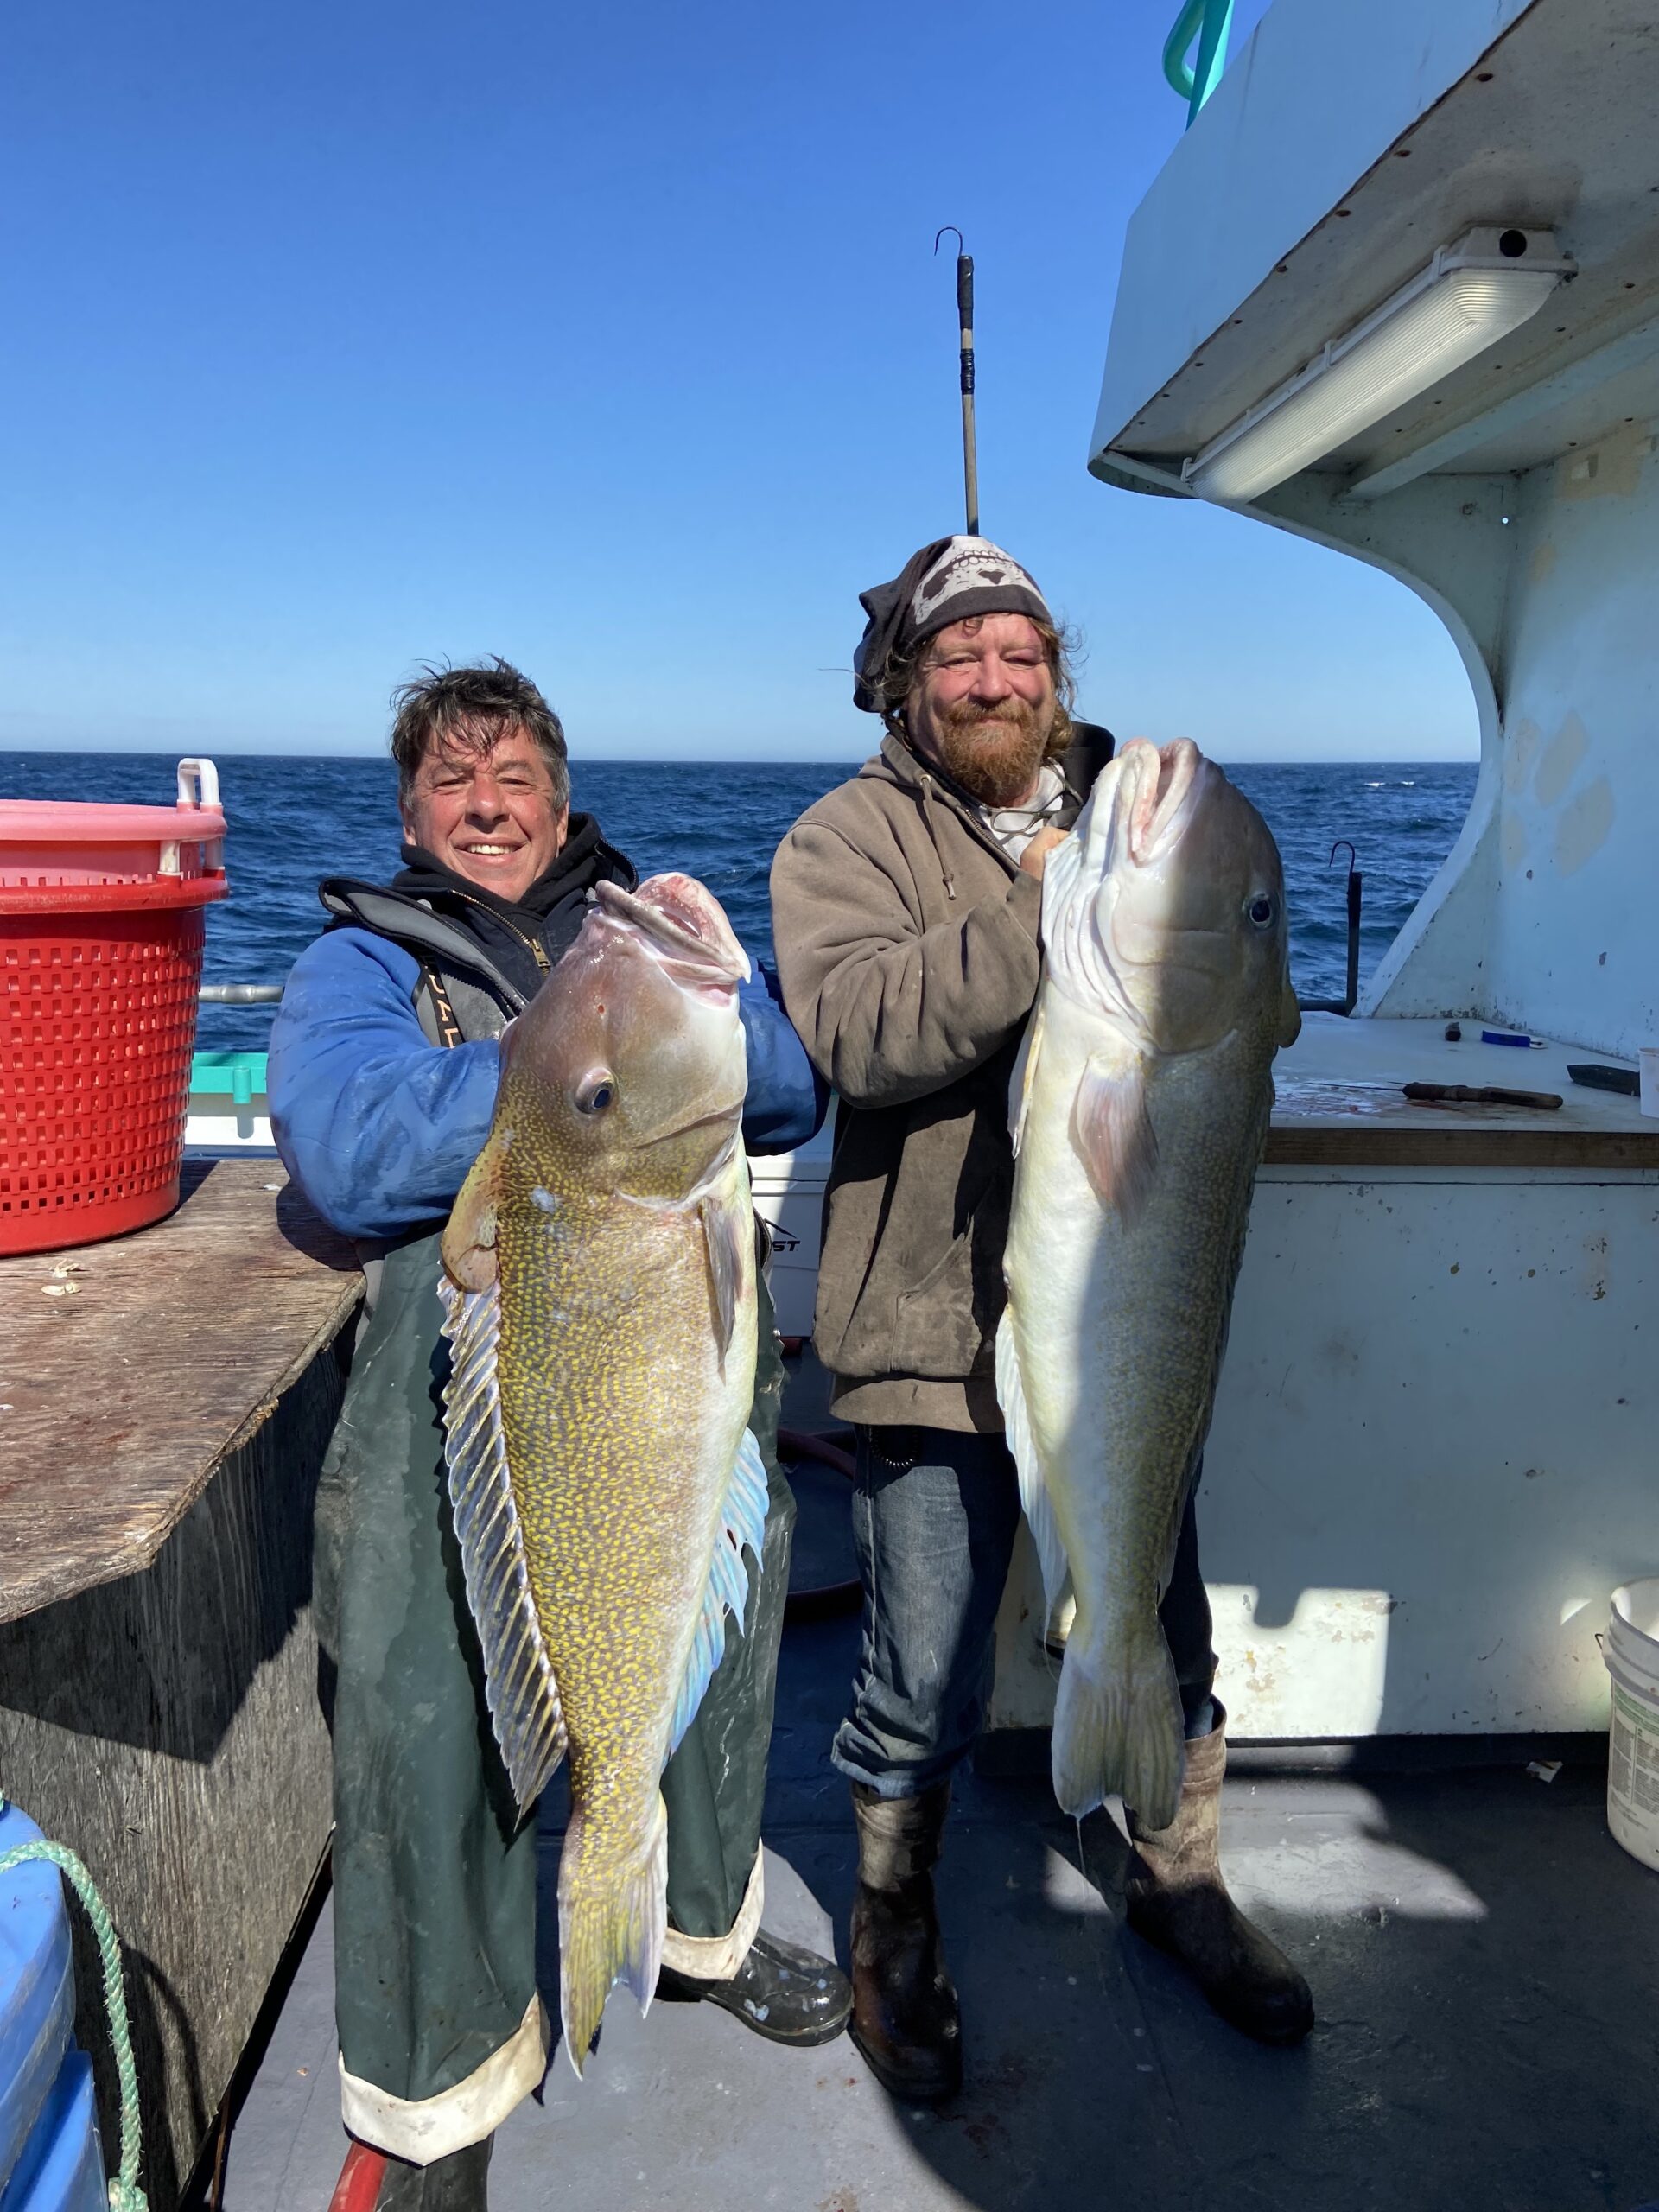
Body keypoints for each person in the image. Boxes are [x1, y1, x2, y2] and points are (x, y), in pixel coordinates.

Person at [270, 661, 850, 2212]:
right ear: (411, 816)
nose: (487, 803)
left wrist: (665, 1030)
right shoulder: (360, 962)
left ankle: (700, 1930)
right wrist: (583, 1078)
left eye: (514, 774)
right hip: (447, 1411)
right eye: (453, 783)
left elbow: (786, 1079)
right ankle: (439, 2091)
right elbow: (342, 1144)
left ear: (560, 795)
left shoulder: (643, 939)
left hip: (677, 1384)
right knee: (423, 1727)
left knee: (715, 1660)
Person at [769, 537, 1313, 2104]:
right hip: (927, 1336)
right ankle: (892, 1929)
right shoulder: (842, 839)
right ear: (909, 683)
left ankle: (1181, 1881)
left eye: (1021, 651)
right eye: (960, 658)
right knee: (922, 1667)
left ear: (1056, 665)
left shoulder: (1133, 811)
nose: (996, 679)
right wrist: (1031, 912)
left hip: (1118, 1327)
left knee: (1162, 1613)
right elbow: (859, 1038)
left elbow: (1234, 996)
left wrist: (1118, 897)